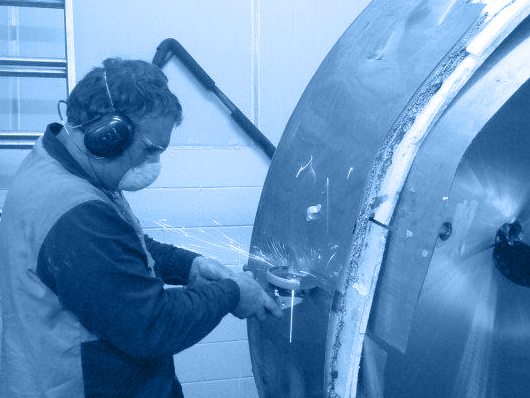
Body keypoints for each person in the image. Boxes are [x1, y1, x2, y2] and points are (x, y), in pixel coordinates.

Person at [0, 57, 281, 398]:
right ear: (108, 136)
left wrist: (186, 266)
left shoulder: (57, 166)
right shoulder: (76, 213)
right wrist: (233, 293)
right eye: (149, 149)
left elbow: (120, 247)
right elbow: (152, 326)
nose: (152, 163)